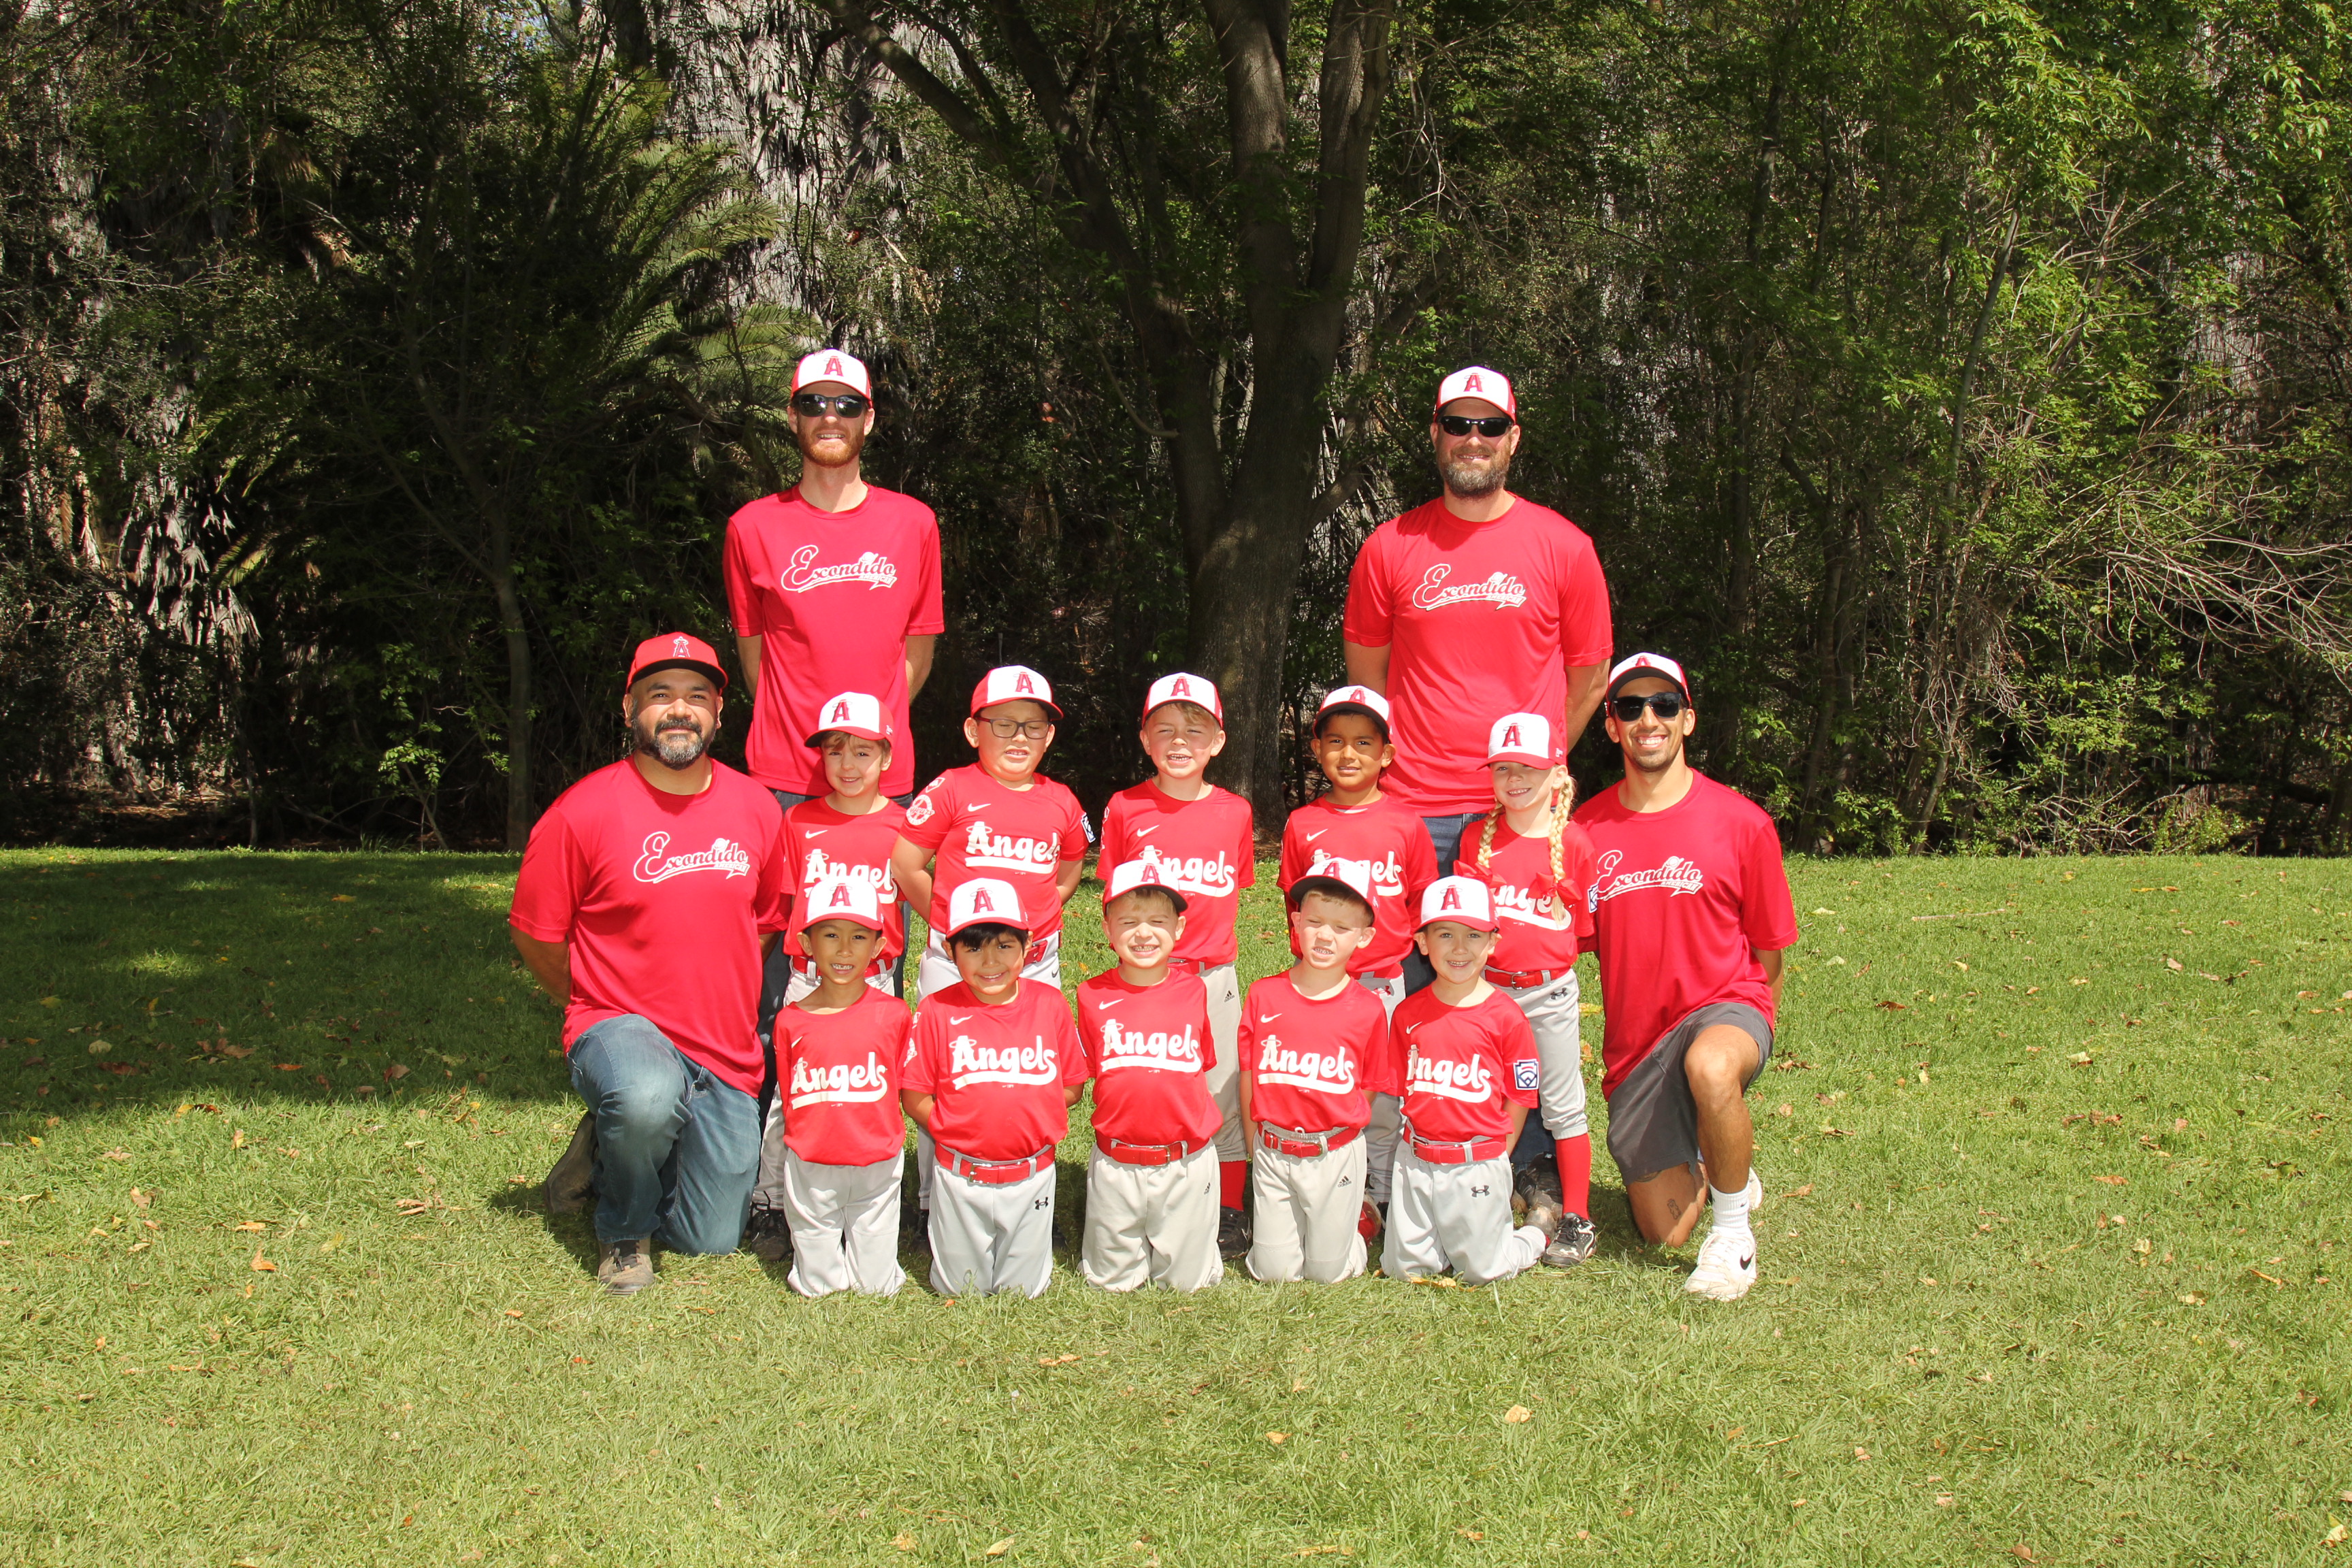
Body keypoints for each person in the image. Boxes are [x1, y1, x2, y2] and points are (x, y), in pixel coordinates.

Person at [512, 633, 790, 1296]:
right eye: (660, 695)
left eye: (697, 696)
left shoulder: (756, 807)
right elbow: (536, 936)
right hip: (620, 1024)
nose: (679, 710)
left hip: (722, 1048)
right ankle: (624, 1230)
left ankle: (609, 1146)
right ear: (629, 708)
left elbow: (766, 922)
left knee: (710, 1237)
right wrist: (593, 1005)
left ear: (718, 714)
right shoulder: (581, 811)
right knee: (643, 1092)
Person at [1340, 365, 1614, 988]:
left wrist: (1532, 772)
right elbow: (1367, 686)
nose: (1474, 438)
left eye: (1490, 425)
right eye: (1458, 423)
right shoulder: (1389, 547)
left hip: (1520, 816)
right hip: (1414, 810)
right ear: (1435, 433)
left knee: (1520, 995)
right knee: (1410, 995)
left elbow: (1591, 679)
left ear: (1513, 438)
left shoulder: (1565, 546)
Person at [724, 349, 943, 1036]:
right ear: (792, 417)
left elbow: (918, 651)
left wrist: (865, 741)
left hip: (880, 782)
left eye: (846, 404)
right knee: (778, 960)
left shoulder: (913, 523)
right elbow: (755, 654)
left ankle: (866, 1096)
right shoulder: (752, 526)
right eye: (813, 403)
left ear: (868, 419)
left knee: (875, 957)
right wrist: (801, 735)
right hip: (783, 780)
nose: (830, 416)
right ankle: (773, 1096)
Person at [1573, 653, 1799, 1302]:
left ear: (1688, 720)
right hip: (1638, 1048)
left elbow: (1770, 955)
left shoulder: (1743, 823)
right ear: (1612, 726)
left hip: (1725, 1009)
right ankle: (1724, 1162)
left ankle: (1733, 1238)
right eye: (1630, 708)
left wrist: (1750, 1032)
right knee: (1662, 1230)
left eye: (1664, 705)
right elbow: (1565, 948)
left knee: (1711, 1066)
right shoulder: (1584, 832)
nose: (1648, 719)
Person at [742, 689, 909, 1262]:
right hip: (809, 978)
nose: (848, 764)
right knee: (794, 1095)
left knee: (868, 1091)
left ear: (887, 756)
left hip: (875, 979)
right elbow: (786, 905)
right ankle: (771, 1202)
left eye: (863, 751)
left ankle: (868, 1199)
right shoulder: (800, 819)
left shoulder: (903, 825)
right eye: (835, 750)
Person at [1097, 672, 1256, 1258]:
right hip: (1146, 977)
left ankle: (1229, 1206)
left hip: (1211, 972)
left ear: (1218, 741)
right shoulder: (1125, 807)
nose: (1180, 741)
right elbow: (1115, 894)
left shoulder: (1235, 811)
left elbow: (1236, 883)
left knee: (1222, 1091)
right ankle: (1143, 1191)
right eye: (1164, 729)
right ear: (1144, 739)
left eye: (1195, 729)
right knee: (1147, 1081)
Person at [1277, 683, 1437, 1220]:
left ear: (1387, 754)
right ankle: (1324, 1179)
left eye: (1365, 742)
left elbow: (1419, 901)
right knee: (1322, 1078)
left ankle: (1383, 1189)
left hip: (1382, 981)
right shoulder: (1304, 824)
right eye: (1337, 741)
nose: (1350, 754)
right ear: (1317, 749)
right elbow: (1293, 901)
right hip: (1319, 981)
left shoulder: (1405, 823)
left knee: (1384, 1090)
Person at [1454, 712, 1601, 1268]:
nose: (1514, 779)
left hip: (1549, 994)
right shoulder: (1477, 837)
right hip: (1489, 993)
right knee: (1486, 1099)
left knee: (1563, 1107)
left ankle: (1578, 1218)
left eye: (1529, 768)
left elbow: (1580, 934)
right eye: (1502, 769)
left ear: (1558, 774)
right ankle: (1478, 1203)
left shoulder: (1576, 844)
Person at [900, 878, 1088, 1298]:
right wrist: (952, 1127)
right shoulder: (937, 1009)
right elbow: (914, 1094)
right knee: (960, 1289)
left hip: (1032, 1172)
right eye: (972, 947)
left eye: (1004, 945)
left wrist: (1031, 1112)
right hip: (960, 1172)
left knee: (1024, 1292)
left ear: (1028, 945)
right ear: (949, 950)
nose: (989, 961)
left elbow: (1073, 1086)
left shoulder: (1049, 1004)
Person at [1374, 877, 1556, 1286]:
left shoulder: (1506, 1017)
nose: (1459, 948)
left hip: (1477, 1161)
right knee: (1404, 1271)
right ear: (1422, 943)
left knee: (1483, 1273)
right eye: (1445, 934)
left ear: (1492, 942)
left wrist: (1498, 1154)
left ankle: (1533, 1235)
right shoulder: (1407, 1013)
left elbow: (1520, 1095)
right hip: (1417, 1158)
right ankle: (1442, 1237)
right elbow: (1402, 1090)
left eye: (1473, 935)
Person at [1074, 860, 1223, 1293]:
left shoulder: (1194, 990)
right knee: (1110, 1282)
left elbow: (1199, 1066)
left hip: (1185, 1158)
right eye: (1129, 922)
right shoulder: (1091, 994)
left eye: (1158, 921)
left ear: (1179, 928)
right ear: (1107, 929)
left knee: (1186, 1284)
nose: (1143, 933)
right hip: (1116, 1158)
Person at [1237, 864, 1386, 1285]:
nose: (1325, 936)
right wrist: (1253, 1141)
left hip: (1333, 1151)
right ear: (1297, 922)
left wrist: (1339, 1129)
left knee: (1327, 1273)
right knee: (1274, 1273)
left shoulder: (1368, 1008)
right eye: (1315, 922)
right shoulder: (1264, 994)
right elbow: (1249, 1075)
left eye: (1341, 927)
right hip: (1274, 1147)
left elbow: (1369, 1085)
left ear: (1364, 937)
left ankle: (1358, 1225)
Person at [768, 877, 913, 1298]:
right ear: (806, 943)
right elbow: (791, 1096)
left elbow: (898, 1084)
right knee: (818, 1285)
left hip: (877, 1162)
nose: (845, 949)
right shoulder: (790, 1020)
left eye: (859, 937)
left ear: (879, 945)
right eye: (830, 935)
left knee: (877, 1286)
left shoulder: (894, 1014)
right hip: (812, 1162)